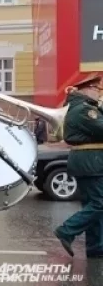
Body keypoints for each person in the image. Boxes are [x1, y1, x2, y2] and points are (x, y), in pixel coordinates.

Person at [55, 73, 103, 258]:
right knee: (100, 203)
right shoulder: (84, 110)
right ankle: (67, 230)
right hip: (91, 162)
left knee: (93, 204)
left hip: (89, 161)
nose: (99, 94)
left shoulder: (86, 108)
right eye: (97, 90)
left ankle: (95, 246)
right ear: (87, 89)